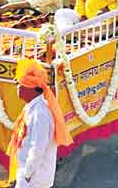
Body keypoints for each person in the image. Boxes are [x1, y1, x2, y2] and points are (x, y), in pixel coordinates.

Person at [7, 58, 72, 188]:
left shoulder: (40, 114)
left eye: (19, 84)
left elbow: (38, 148)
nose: (17, 88)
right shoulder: (33, 108)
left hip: (33, 178)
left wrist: (27, 173)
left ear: (30, 88)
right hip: (31, 175)